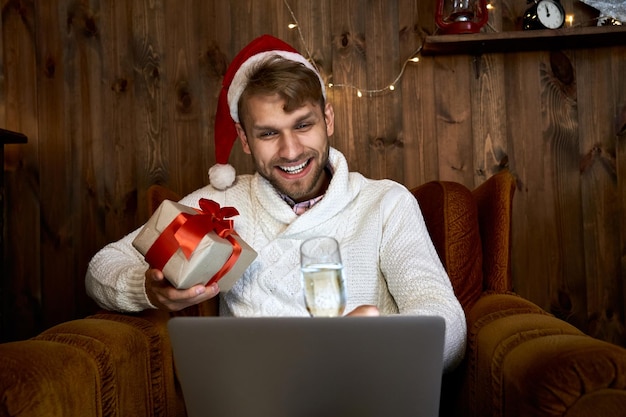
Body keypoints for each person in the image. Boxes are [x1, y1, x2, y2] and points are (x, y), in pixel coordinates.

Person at [85, 34, 467, 372]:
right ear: (245, 139)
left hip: (363, 394)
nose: (290, 150)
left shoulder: (384, 203)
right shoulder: (218, 206)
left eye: (303, 125)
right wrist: (147, 290)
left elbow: (444, 316)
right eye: (269, 133)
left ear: (327, 119)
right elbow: (101, 267)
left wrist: (382, 340)